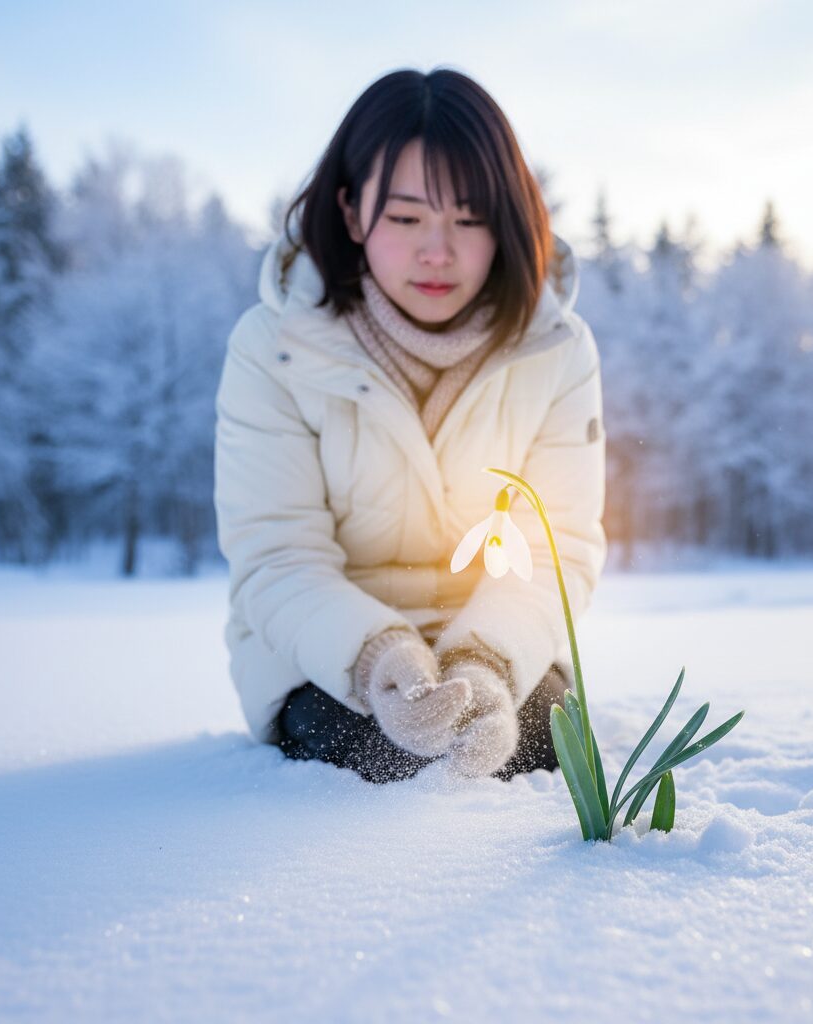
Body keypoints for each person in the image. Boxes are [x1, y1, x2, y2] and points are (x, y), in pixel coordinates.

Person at [213, 67, 607, 784]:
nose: (438, 251)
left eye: (469, 217)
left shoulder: (557, 349)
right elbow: (275, 555)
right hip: (323, 660)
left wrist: (484, 664)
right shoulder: (273, 346)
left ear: (508, 220)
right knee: (384, 765)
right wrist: (376, 661)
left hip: (496, 652)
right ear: (353, 212)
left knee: (535, 756)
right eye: (405, 217)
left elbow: (560, 551)